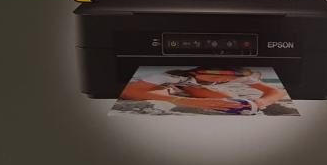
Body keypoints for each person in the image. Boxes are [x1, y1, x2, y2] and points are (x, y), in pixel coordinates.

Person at [120, 67, 285, 113]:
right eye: (215, 76)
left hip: (191, 86)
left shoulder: (235, 74)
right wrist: (183, 101)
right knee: (163, 92)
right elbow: (128, 92)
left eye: (227, 78)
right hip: (169, 83)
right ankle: (172, 90)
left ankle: (177, 90)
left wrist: (261, 101)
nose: (222, 79)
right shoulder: (168, 74)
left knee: (228, 97)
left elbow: (277, 91)